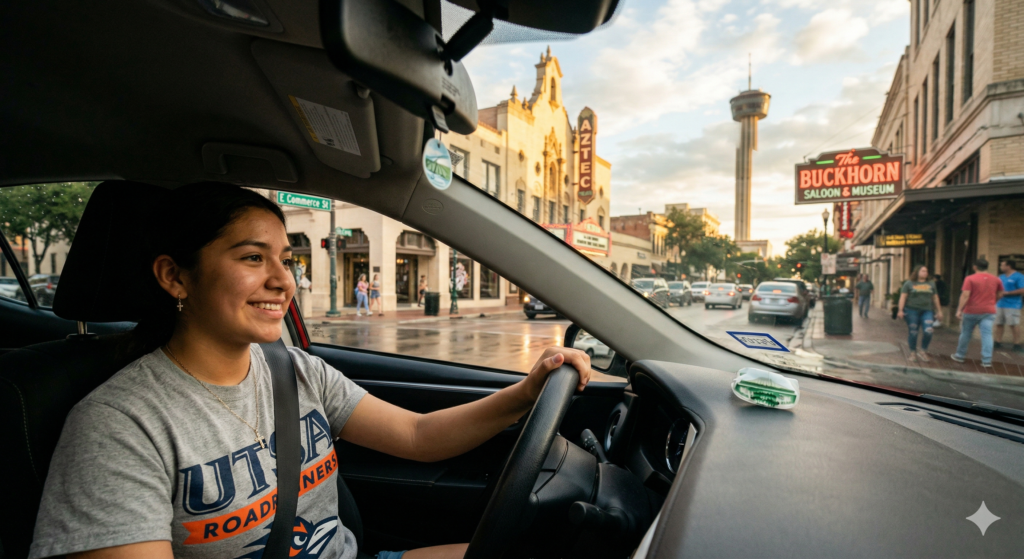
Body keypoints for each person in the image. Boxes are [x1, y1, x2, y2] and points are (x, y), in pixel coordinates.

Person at [28, 183, 592, 559]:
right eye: (253, 258)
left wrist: (527, 391)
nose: (283, 280)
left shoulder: (295, 370)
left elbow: (418, 437)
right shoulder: (118, 426)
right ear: (175, 277)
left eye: (286, 259)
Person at [952, 259, 1004, 367]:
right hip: (989, 311)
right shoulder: (996, 279)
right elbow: (1000, 294)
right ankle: (986, 360)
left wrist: (959, 309)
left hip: (971, 310)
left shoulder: (970, 279)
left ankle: (960, 355)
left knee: (966, 333)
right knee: (987, 335)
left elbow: (965, 295)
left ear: (975, 267)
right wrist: (992, 302)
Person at [897, 265, 943, 362]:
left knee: (928, 331)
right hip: (911, 310)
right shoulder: (909, 283)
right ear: (917, 272)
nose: (925, 273)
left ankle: (923, 350)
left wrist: (939, 311)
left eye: (926, 271)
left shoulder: (931, 284)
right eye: (923, 271)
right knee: (913, 332)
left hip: (927, 311)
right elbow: (903, 297)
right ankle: (913, 352)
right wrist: (900, 310)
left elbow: (935, 297)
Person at [995, 259, 1024, 352]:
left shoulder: (1019, 276)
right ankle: (997, 341)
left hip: (1013, 305)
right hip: (1000, 304)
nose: (1001, 267)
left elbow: (1022, 290)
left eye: (1002, 265)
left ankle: (1016, 344)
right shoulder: (1001, 277)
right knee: (999, 323)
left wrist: (1007, 293)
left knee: (1013, 324)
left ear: (1008, 266)